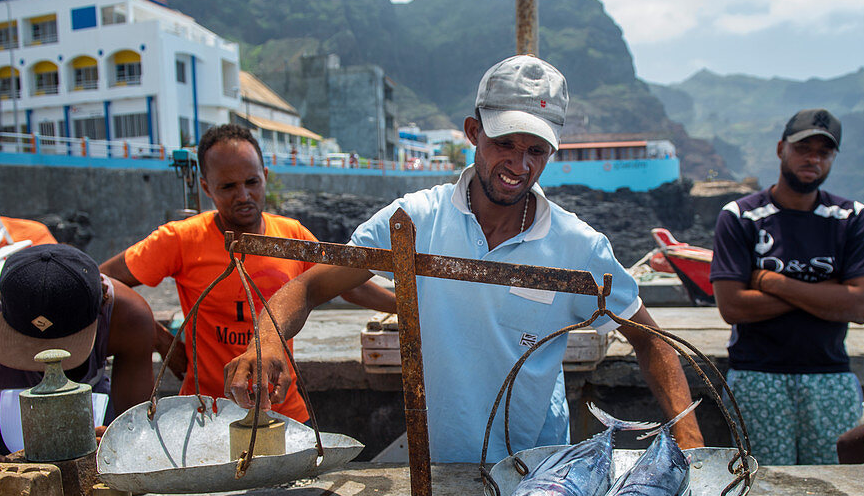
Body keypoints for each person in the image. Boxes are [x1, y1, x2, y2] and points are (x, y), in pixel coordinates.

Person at [224, 54, 702, 463]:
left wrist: (692, 445)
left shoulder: (579, 247)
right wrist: (263, 343)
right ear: (474, 132)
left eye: (536, 150)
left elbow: (650, 341)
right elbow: (310, 286)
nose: (519, 165)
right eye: (504, 144)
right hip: (436, 464)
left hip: (535, 471)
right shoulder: (413, 222)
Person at [101, 124, 394, 424]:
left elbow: (346, 284)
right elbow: (104, 281)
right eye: (228, 187)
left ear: (265, 177)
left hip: (284, 414)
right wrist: (159, 339)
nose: (243, 195)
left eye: (252, 182)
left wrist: (404, 308)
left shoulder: (291, 235)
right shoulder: (179, 239)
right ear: (206, 187)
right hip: (209, 416)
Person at [709, 108, 864, 465]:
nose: (813, 158)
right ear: (781, 149)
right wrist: (827, 291)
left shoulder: (851, 218)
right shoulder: (740, 217)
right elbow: (733, 307)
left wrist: (772, 282)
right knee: (763, 488)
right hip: (756, 376)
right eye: (804, 148)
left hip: (830, 377)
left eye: (824, 152)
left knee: (835, 490)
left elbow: (862, 306)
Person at [0, 244, 155, 457]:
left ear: (100, 313)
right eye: (28, 347)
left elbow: (137, 428)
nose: (44, 366)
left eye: (61, 350)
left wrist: (119, 442)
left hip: (89, 424)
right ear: (2, 311)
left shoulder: (127, 318)